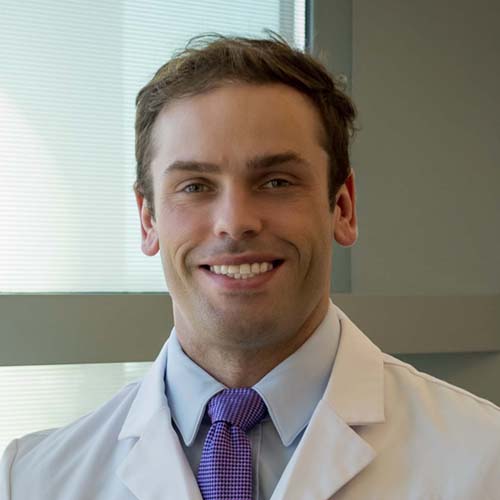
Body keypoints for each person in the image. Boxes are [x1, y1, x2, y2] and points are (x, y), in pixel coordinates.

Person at [1, 33, 499, 500]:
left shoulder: (484, 461)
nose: (234, 223)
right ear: (147, 220)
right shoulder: (32, 479)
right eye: (195, 185)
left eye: (277, 181)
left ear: (343, 208)